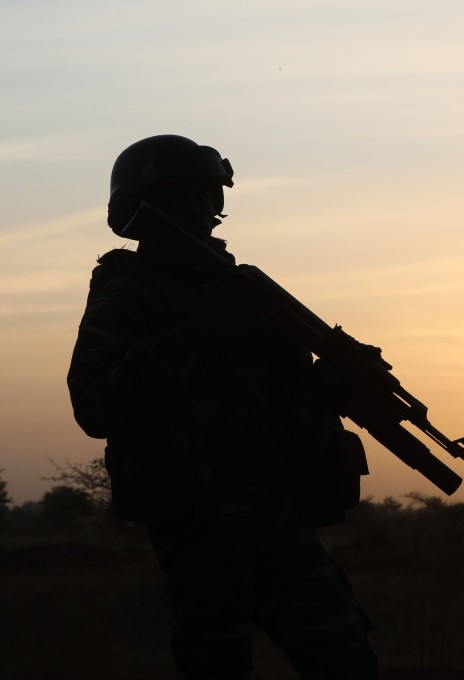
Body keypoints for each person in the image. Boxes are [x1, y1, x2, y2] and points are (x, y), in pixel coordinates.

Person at [67, 135, 378, 679]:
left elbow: (274, 393)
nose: (203, 210)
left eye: (207, 196)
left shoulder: (241, 291)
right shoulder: (131, 295)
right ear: (143, 211)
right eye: (184, 197)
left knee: (344, 653)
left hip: (276, 513)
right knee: (217, 661)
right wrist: (195, 334)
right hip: (199, 520)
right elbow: (96, 404)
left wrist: (329, 383)